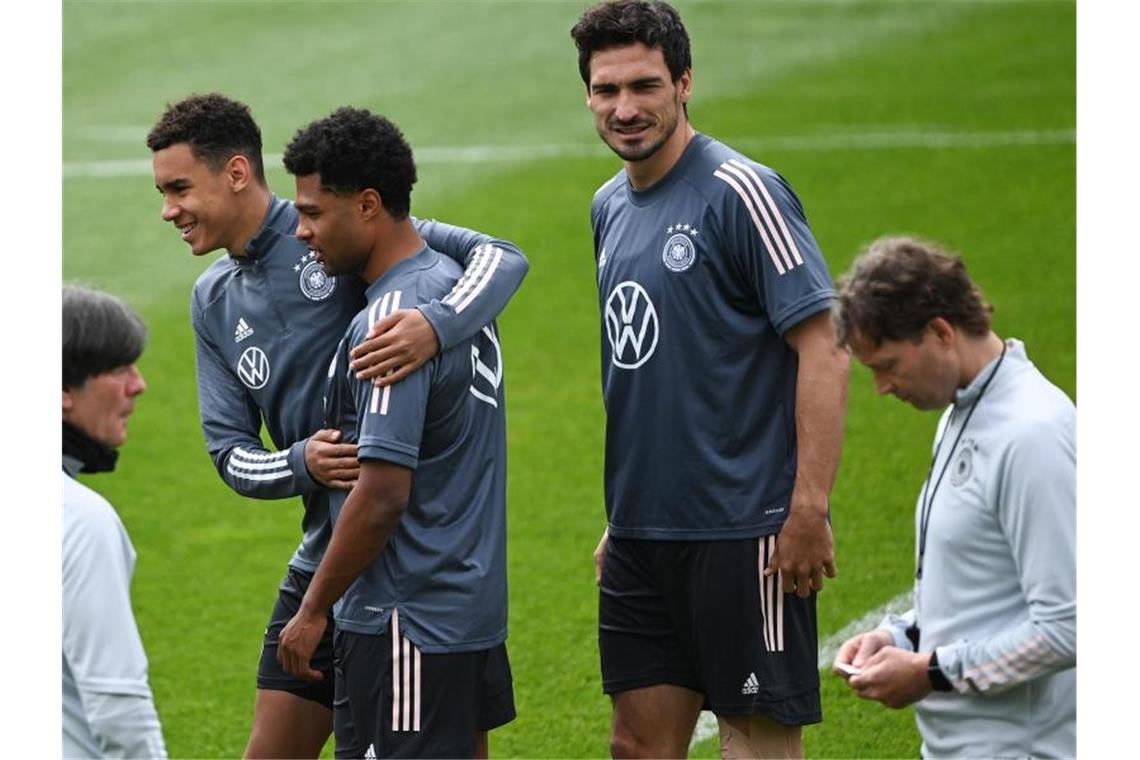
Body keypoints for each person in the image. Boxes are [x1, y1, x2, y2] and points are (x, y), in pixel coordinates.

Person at [147, 93, 528, 758]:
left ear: (236, 173)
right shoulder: (213, 299)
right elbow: (227, 451)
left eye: (180, 188)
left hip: (398, 561)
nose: (168, 210)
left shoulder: (335, 224)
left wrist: (435, 328)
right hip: (328, 551)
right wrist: (301, 463)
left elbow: (500, 258)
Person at [570, 2, 850, 757]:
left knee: (753, 741)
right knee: (636, 743)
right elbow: (654, 369)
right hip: (640, 530)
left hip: (742, 529)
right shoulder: (606, 207)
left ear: (684, 83)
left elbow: (824, 346)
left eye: (644, 86)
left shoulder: (741, 192)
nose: (624, 108)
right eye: (605, 90)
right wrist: (621, 518)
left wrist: (807, 508)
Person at [272, 107, 514, 759]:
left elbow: (380, 494)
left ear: (369, 206)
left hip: (406, 617)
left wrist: (314, 608)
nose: (301, 231)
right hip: (465, 608)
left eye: (314, 212)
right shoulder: (451, 290)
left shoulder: (392, 323)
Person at [830, 236, 1076, 758]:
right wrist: (902, 636)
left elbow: (1069, 627)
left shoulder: (1030, 434)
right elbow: (979, 590)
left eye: (888, 365)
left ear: (940, 332)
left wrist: (930, 673)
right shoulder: (963, 413)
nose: (880, 387)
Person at [63, 285, 167, 759]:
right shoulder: (79, 520)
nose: (138, 384)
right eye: (119, 368)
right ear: (63, 391)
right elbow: (118, 706)